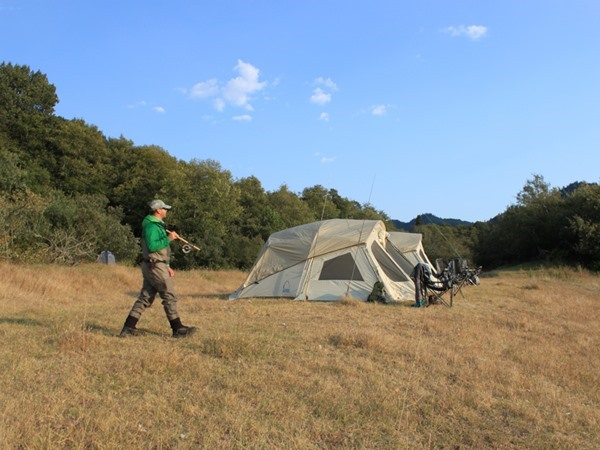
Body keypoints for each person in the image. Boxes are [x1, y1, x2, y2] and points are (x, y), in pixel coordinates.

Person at [119, 199, 196, 338]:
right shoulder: (151, 227)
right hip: (155, 266)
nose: (166, 211)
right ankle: (177, 329)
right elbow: (153, 247)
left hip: (156, 265)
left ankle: (128, 328)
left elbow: (160, 251)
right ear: (158, 210)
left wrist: (167, 266)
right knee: (169, 295)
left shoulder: (155, 225)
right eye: (164, 209)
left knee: (145, 298)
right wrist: (169, 238)